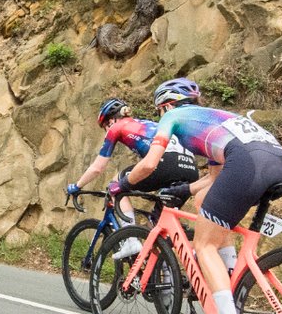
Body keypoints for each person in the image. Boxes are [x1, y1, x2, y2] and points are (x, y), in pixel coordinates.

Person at [120, 78, 282, 314]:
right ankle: (229, 276)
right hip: (279, 164)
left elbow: (150, 163)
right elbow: (214, 178)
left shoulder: (174, 116)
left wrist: (124, 184)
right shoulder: (215, 119)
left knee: (204, 245)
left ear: (165, 105)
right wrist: (184, 189)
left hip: (247, 164)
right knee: (206, 204)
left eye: (159, 110)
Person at [65, 97, 199, 258]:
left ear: (112, 119)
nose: (106, 130)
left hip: (165, 163)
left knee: (116, 183)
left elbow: (97, 168)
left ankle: (130, 240)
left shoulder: (118, 127)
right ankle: (171, 275)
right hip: (191, 169)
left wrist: (77, 186)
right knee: (156, 228)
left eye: (106, 125)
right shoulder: (147, 124)